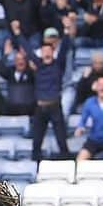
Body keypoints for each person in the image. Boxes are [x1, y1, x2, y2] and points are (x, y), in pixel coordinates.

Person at [22, 28, 73, 161]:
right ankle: (36, 165)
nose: (46, 52)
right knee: (37, 139)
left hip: (55, 105)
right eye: (43, 50)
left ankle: (66, 161)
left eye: (48, 50)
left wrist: (66, 32)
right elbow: (27, 49)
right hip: (40, 107)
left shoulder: (58, 64)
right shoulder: (38, 65)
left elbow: (65, 48)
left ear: (52, 52)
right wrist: (17, 34)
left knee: (61, 138)